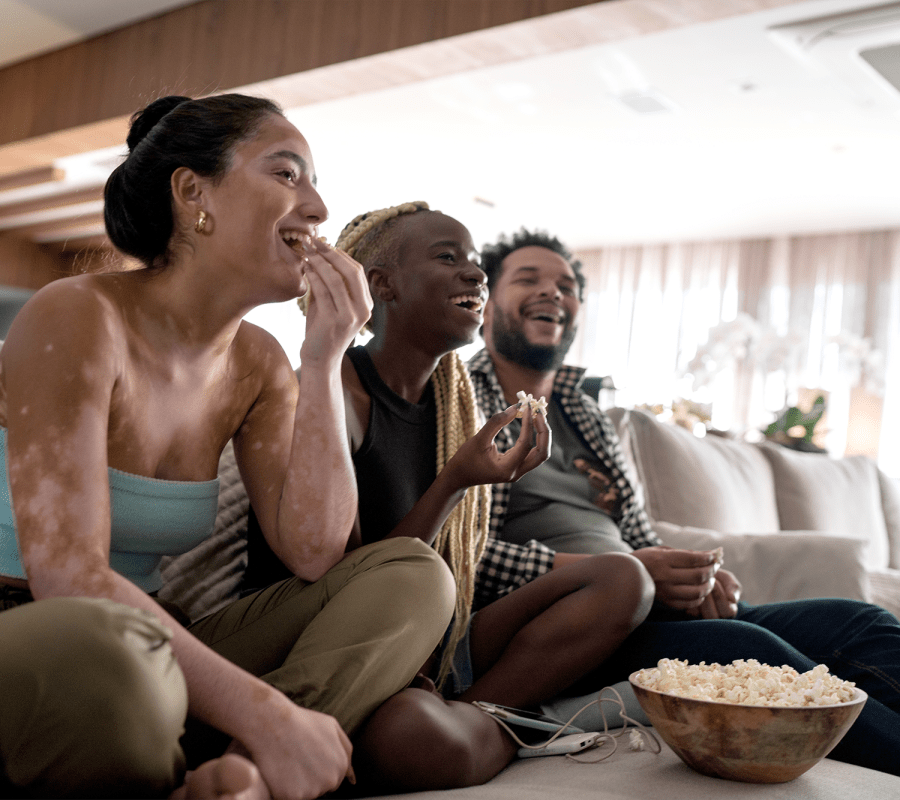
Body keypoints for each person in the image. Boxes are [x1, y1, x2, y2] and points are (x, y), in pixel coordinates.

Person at [0, 94, 456, 800]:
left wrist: (323, 360)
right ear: (193, 194)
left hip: (154, 645)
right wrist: (265, 707)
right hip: (45, 636)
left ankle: (250, 768)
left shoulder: (259, 362)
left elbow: (315, 550)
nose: (318, 207)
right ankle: (238, 747)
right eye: (287, 174)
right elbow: (64, 575)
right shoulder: (76, 313)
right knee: (113, 661)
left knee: (413, 574)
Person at [243, 202, 655, 793]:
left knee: (625, 580)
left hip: (435, 637)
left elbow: (460, 566)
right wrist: (456, 480)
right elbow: (352, 583)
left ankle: (485, 714)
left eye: (473, 261)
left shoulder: (454, 402)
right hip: (336, 642)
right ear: (381, 285)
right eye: (448, 258)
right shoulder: (336, 389)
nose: (475, 274)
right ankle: (515, 727)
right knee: (413, 741)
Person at [468, 227, 900, 776]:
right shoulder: (465, 400)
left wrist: (687, 580)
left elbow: (640, 537)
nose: (553, 292)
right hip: (563, 627)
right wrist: (617, 571)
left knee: (858, 621)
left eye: (567, 284)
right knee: (745, 648)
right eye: (528, 279)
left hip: (641, 605)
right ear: (484, 310)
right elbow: (463, 554)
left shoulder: (585, 412)